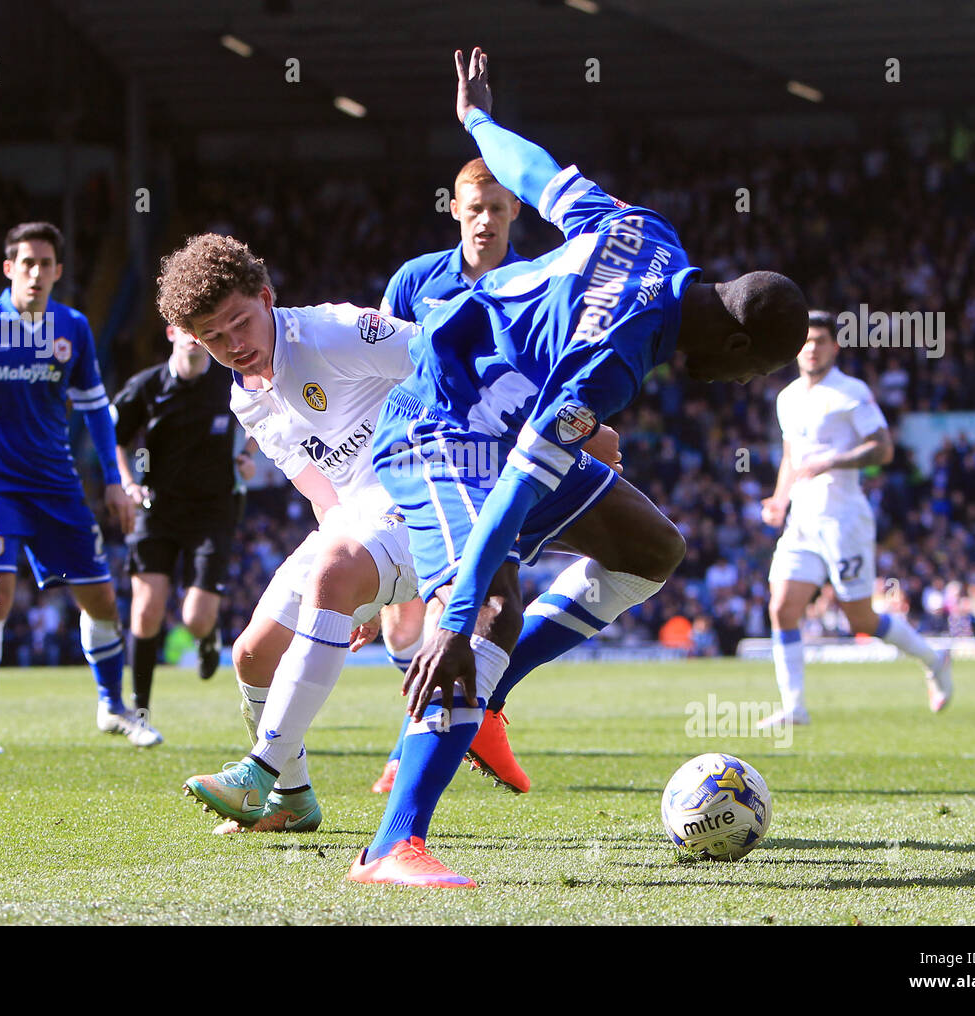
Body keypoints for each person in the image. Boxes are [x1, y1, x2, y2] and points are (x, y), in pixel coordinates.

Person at [351, 48, 808, 888]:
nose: (743, 384)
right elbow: (521, 482)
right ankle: (392, 847)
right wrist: (453, 620)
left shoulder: (649, 232)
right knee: (488, 607)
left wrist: (479, 121)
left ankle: (486, 695)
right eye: (753, 371)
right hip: (444, 429)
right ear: (738, 344)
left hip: (496, 417)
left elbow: (538, 176)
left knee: (651, 549)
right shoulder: (613, 359)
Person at [159, 233, 421, 833]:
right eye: (214, 338)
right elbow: (321, 489)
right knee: (252, 654)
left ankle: (258, 770)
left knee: (331, 573)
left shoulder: (335, 331)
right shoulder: (244, 397)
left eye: (239, 324)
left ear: (267, 297)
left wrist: (575, 429)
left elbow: (445, 361)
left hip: (423, 495)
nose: (234, 346)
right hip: (358, 515)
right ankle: (293, 800)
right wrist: (358, 586)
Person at [0, 221, 158, 755]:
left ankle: (112, 707)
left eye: (47, 264)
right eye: (27, 263)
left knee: (100, 600)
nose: (37, 273)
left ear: (59, 272)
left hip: (59, 489)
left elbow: (95, 408)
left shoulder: (73, 327)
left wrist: (115, 483)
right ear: (9, 269)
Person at [372, 157, 529, 795]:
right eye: (474, 210)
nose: (485, 221)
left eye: (497, 208)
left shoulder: (530, 281)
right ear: (455, 210)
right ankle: (473, 716)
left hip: (490, 462)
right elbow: (378, 362)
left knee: (474, 600)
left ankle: (419, 744)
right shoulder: (417, 280)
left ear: (516, 209)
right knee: (402, 623)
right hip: (413, 452)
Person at [758, 310, 952, 726]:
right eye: (806, 341)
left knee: (859, 618)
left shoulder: (850, 391)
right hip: (802, 521)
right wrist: (779, 500)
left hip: (844, 518)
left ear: (835, 346)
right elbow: (792, 457)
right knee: (782, 608)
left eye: (821, 340)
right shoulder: (787, 396)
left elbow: (883, 449)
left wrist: (834, 460)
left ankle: (935, 658)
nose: (812, 348)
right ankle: (794, 707)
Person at [111, 324, 257, 728]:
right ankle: (139, 711)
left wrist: (247, 453)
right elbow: (114, 438)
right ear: (172, 331)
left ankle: (207, 634)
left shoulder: (228, 380)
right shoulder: (145, 386)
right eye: (187, 326)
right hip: (156, 510)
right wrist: (126, 482)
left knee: (195, 618)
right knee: (146, 611)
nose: (195, 334)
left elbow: (268, 410)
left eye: (202, 326)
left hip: (214, 510)